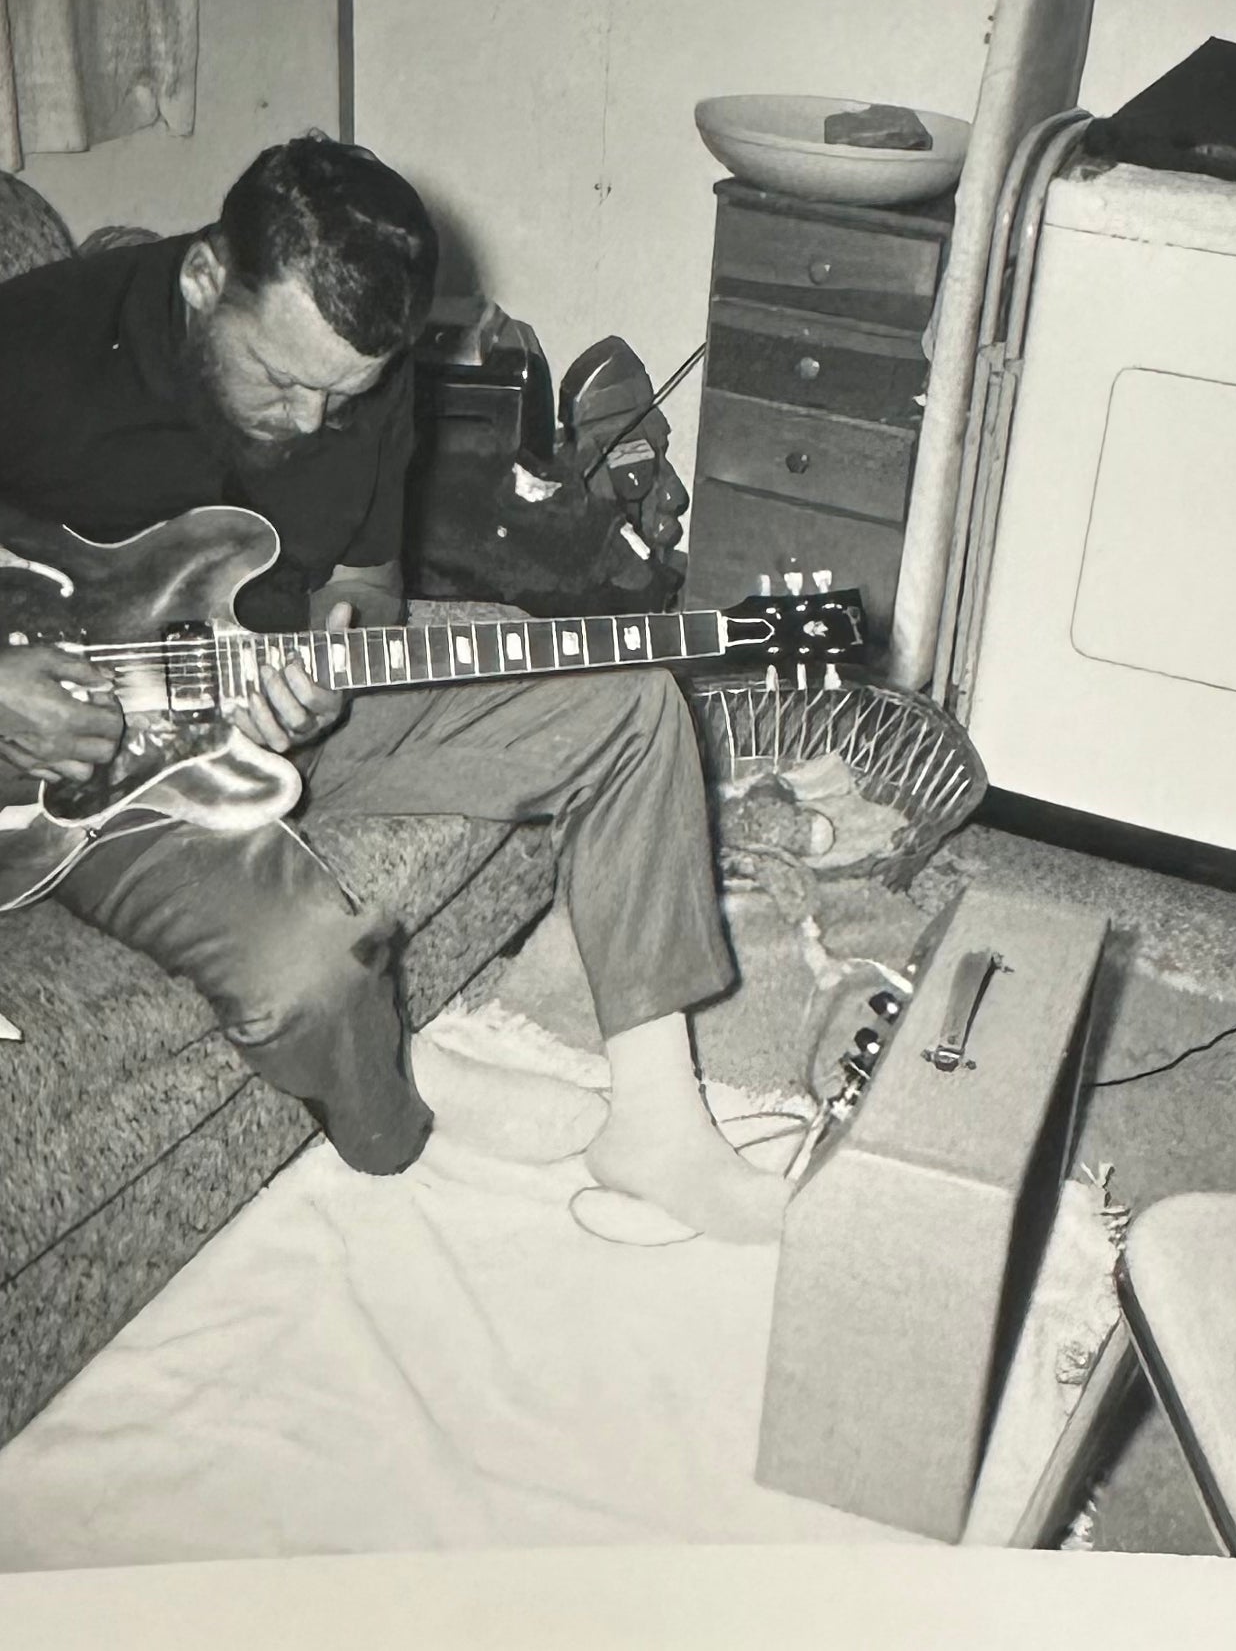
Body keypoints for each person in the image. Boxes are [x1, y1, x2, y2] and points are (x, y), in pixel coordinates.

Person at [0, 134, 788, 1243]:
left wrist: (332, 657)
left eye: (344, 395)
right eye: (279, 379)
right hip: (91, 765)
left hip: (275, 698)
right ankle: (402, 1105)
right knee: (313, 972)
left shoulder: (353, 367)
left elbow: (369, 583)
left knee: (629, 695)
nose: (313, 423)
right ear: (203, 279)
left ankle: (656, 1126)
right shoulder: (36, 345)